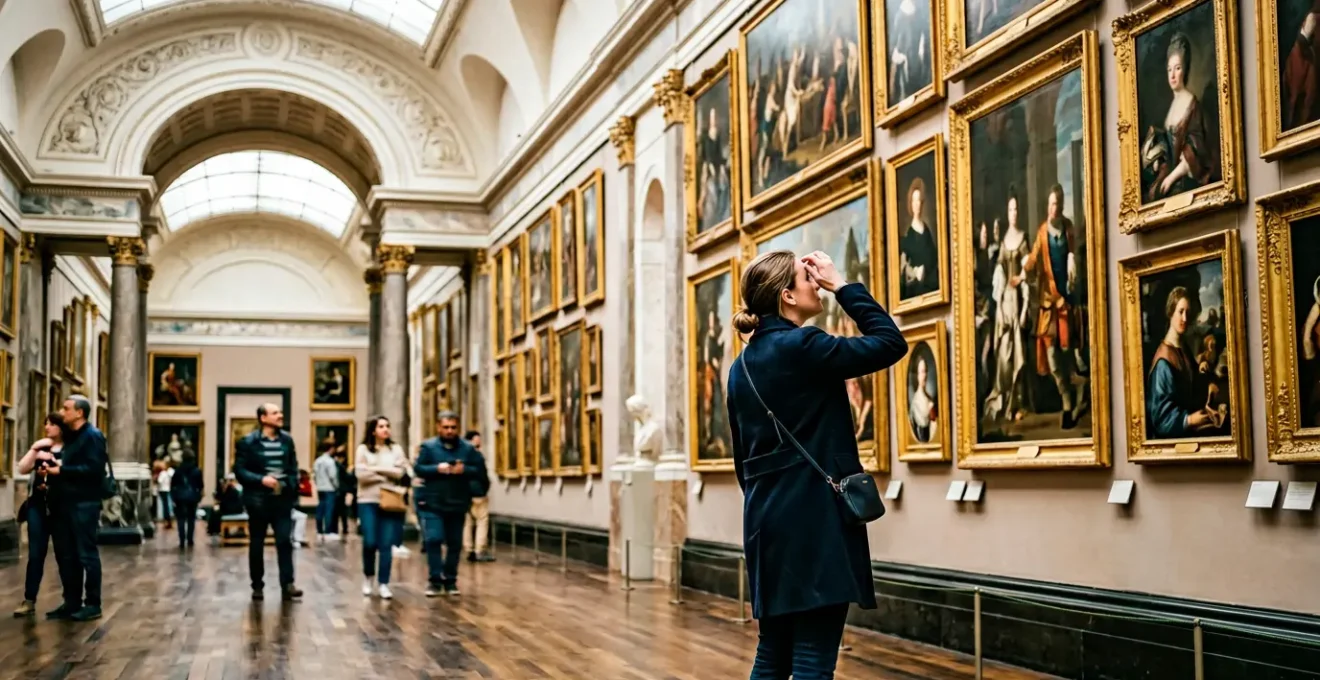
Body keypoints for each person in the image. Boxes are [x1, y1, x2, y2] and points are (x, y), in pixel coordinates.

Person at [726, 250, 906, 679]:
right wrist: (842, 285)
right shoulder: (802, 345)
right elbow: (889, 342)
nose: (816, 282)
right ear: (787, 296)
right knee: (812, 657)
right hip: (815, 521)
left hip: (765, 523)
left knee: (773, 652)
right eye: (807, 278)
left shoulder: (739, 369)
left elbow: (742, 465)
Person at [46, 395, 110, 622]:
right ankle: (71, 602)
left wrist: (62, 470)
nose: (62, 413)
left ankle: (93, 603)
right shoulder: (72, 437)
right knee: (67, 555)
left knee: (86, 554)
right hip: (67, 502)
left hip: (85, 503)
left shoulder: (92, 436)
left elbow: (93, 469)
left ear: (79, 413)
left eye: (66, 409)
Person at [232, 403, 303, 602]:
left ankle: (287, 584)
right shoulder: (249, 442)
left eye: (280, 412)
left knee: (284, 541)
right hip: (258, 500)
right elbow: (240, 470)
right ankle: (257, 585)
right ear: (263, 418)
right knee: (257, 542)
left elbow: (292, 466)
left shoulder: (287, 440)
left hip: (282, 498)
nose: (280, 415)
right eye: (275, 413)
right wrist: (261, 480)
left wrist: (291, 484)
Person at [414, 412, 486, 596]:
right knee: (434, 539)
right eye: (446, 427)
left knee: (454, 543)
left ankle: (451, 579)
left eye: (453, 427)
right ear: (439, 427)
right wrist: (437, 468)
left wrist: (464, 470)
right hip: (433, 501)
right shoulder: (429, 447)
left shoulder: (468, 449)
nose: (449, 431)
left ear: (458, 428)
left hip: (457, 501)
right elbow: (419, 468)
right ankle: (435, 580)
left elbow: (479, 471)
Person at [12, 414, 65, 617]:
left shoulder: (71, 449)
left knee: (63, 554)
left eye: (52, 424)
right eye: (46, 424)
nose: (47, 427)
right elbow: (22, 468)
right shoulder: (41, 448)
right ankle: (29, 599)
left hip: (60, 507)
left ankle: (70, 600)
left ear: (61, 427)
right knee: (35, 554)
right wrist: (35, 448)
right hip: (38, 506)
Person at [353, 416, 409, 599]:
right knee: (369, 541)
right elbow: (361, 475)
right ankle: (368, 577)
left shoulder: (396, 449)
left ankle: (384, 583)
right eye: (381, 426)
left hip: (390, 500)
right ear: (372, 430)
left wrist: (375, 469)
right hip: (367, 500)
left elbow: (400, 472)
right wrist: (386, 474)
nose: (386, 429)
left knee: (386, 543)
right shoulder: (363, 449)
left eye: (387, 425)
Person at [462, 430, 494, 562]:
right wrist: (485, 488)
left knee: (467, 522)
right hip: (478, 492)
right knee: (482, 521)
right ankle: (480, 549)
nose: (479, 442)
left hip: (464, 493)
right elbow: (483, 475)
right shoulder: (477, 456)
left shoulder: (460, 455)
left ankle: (468, 549)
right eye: (476, 439)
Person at [171, 451, 204, 549]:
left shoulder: (178, 470)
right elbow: (200, 485)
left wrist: (174, 496)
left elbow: (173, 485)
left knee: (181, 519)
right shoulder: (197, 470)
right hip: (192, 497)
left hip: (180, 497)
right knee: (191, 519)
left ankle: (182, 540)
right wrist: (198, 496)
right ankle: (190, 539)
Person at [313, 445, 339, 542]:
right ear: (331, 449)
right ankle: (328, 531)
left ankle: (319, 531)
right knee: (329, 510)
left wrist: (318, 484)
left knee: (320, 508)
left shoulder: (317, 461)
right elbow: (333, 476)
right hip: (329, 488)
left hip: (320, 487)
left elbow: (314, 475)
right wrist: (336, 486)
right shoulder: (330, 461)